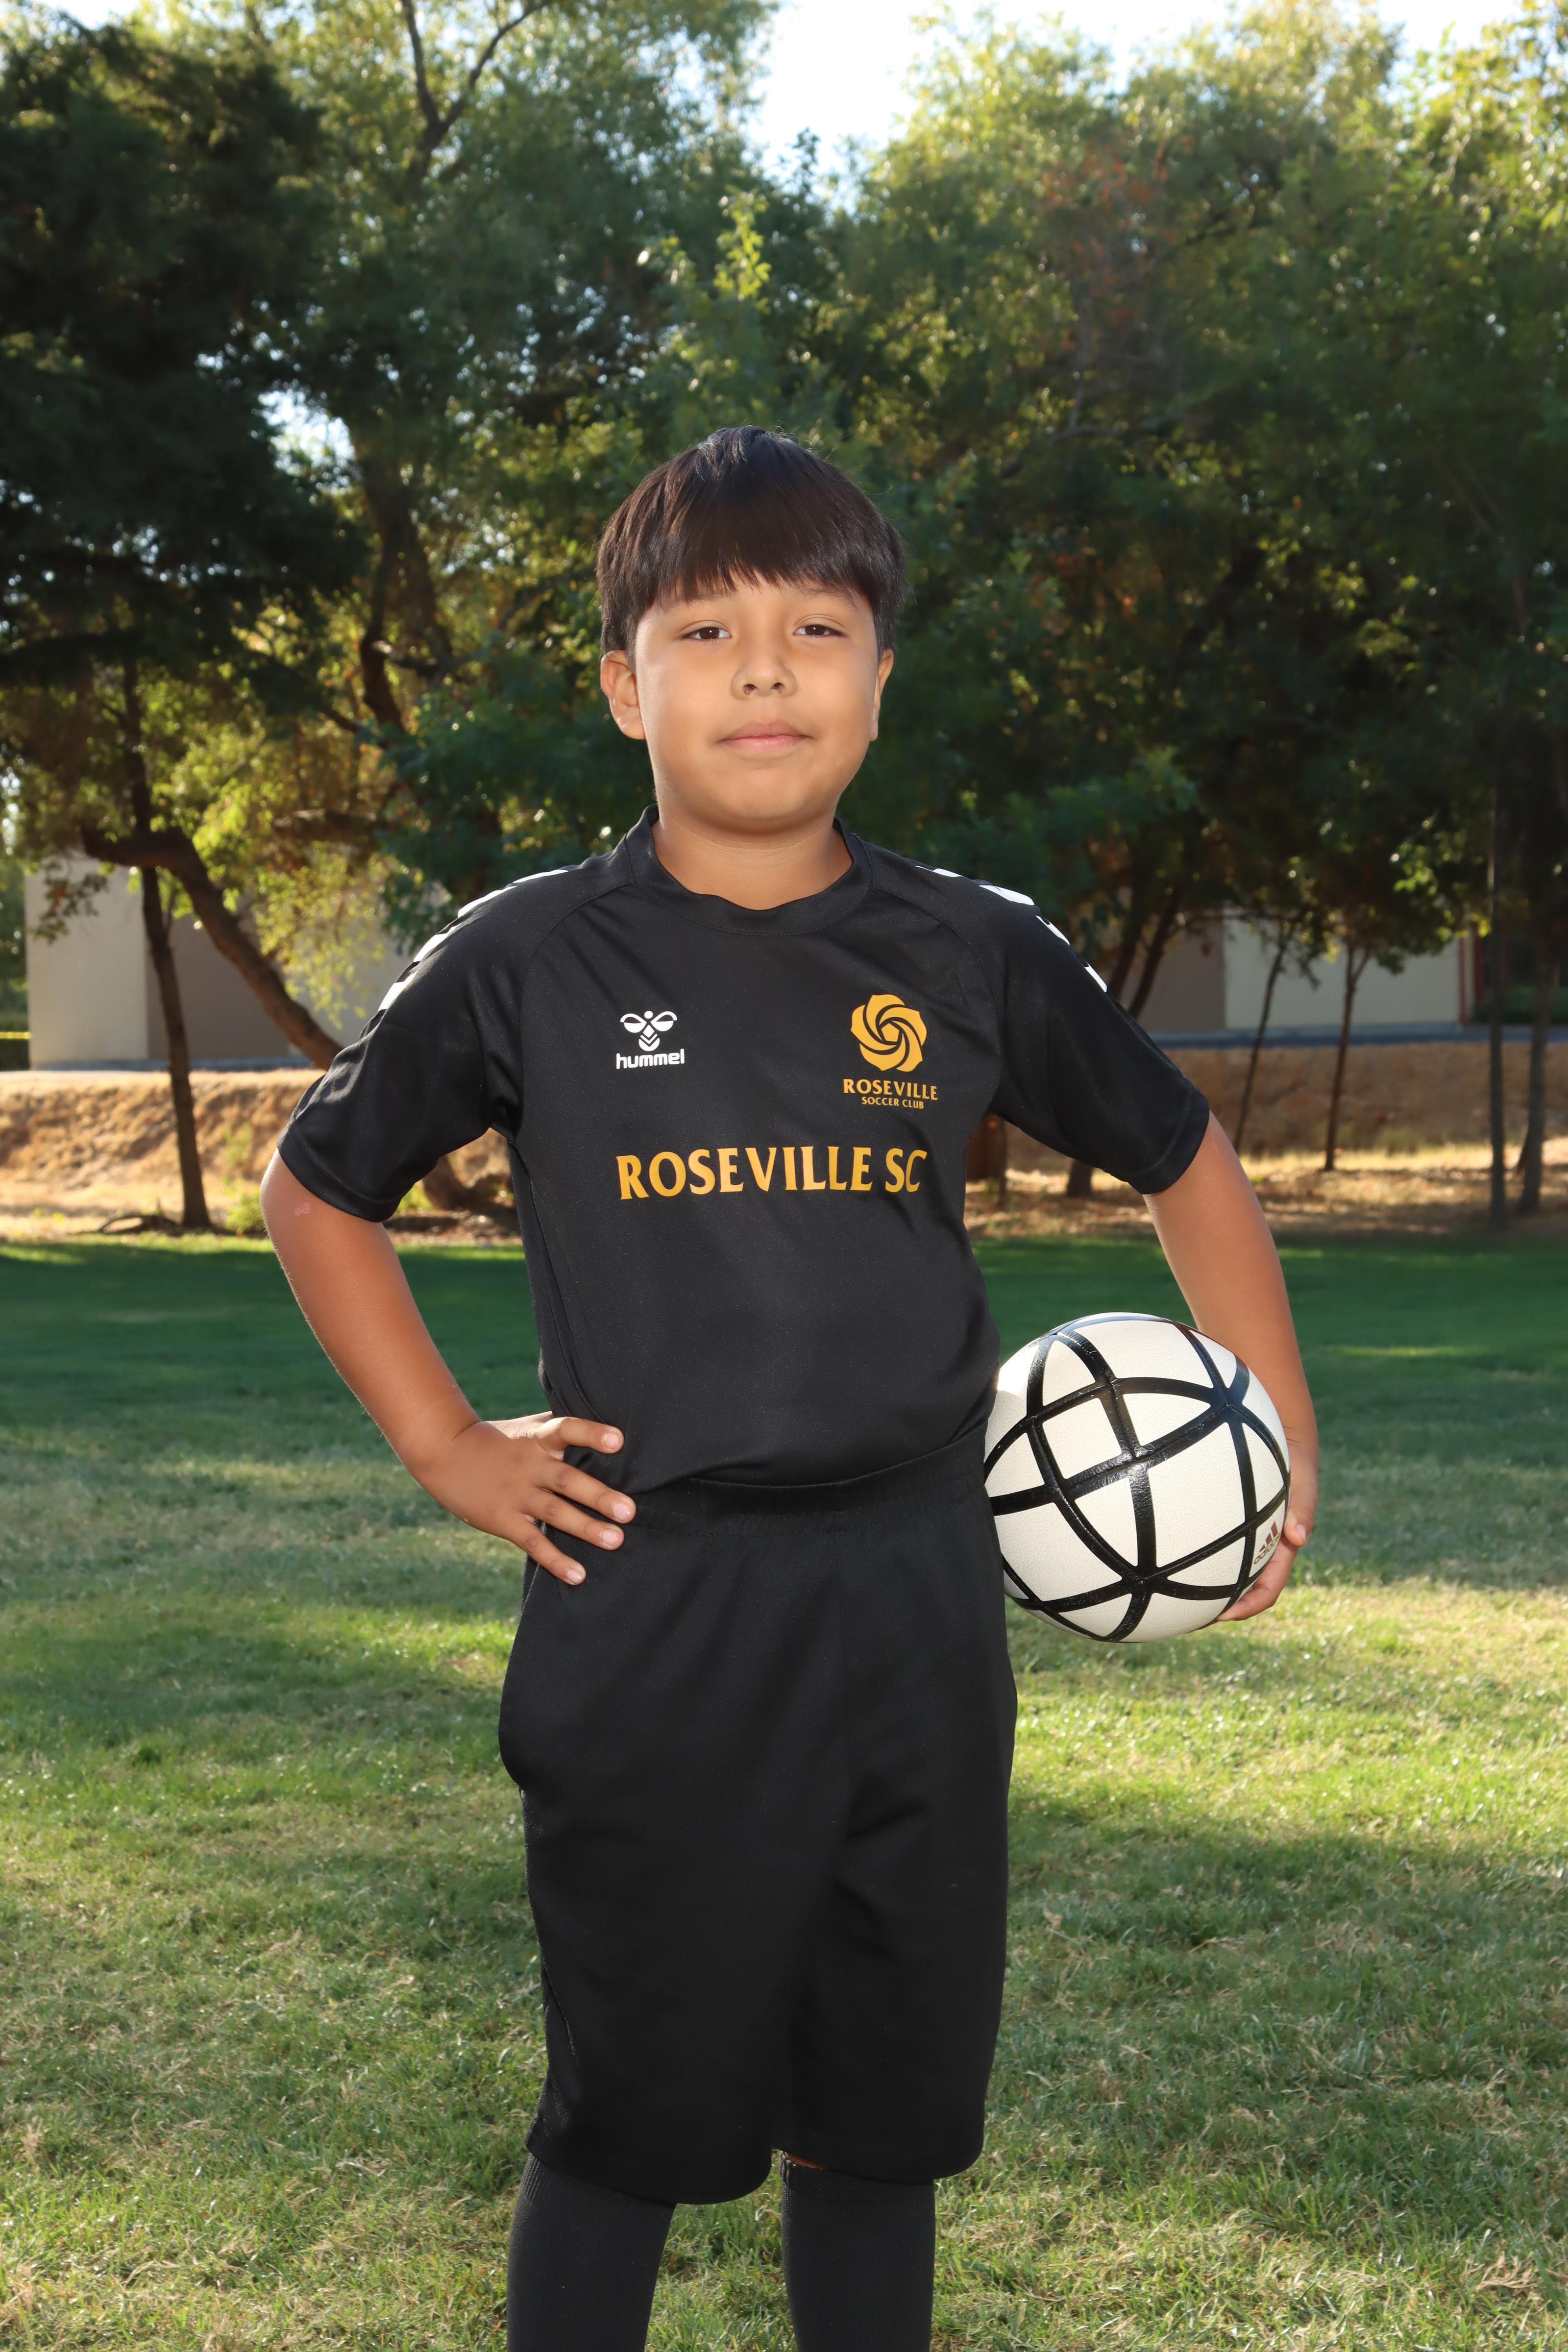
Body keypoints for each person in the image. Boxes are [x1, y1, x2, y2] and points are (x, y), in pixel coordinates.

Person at [260, 424, 1318, 2352]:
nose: (765, 672)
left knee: (882, 2118)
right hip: (651, 1600)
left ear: (879, 678)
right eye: (706, 631)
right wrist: (445, 1442)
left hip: (917, 1593)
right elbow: (317, 1188)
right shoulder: (532, 957)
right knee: (630, 2117)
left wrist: (1268, 1434)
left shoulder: (970, 949)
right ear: (622, 686)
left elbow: (1186, 1160)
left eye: (817, 629)